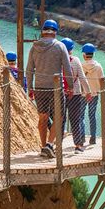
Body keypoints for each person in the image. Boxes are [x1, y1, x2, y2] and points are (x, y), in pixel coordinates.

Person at [25, 20, 73, 158]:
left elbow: (29, 69)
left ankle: (43, 146)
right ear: (55, 32)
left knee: (43, 117)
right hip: (56, 88)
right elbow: (67, 68)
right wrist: (70, 86)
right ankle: (50, 145)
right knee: (59, 117)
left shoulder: (34, 47)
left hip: (39, 87)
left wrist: (30, 87)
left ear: (43, 31)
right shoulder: (60, 46)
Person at [61, 37, 87, 152]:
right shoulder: (75, 60)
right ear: (71, 49)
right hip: (75, 94)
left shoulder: (57, 61)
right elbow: (82, 77)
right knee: (75, 119)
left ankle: (57, 145)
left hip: (61, 94)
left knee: (60, 119)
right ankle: (78, 145)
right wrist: (88, 91)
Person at [81, 43, 105, 145]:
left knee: (80, 116)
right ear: (93, 54)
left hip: (82, 94)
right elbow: (102, 79)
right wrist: (101, 90)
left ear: (84, 54)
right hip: (94, 94)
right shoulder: (98, 66)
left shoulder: (81, 65)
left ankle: (81, 137)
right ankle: (93, 138)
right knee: (92, 116)